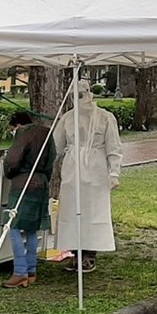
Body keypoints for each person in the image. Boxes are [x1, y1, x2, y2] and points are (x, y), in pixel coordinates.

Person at [55, 80, 122, 273]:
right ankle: (76, 252)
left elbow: (114, 146)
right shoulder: (67, 118)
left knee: (93, 210)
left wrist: (114, 171)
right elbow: (57, 145)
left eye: (82, 94)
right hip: (73, 168)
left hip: (96, 168)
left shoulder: (105, 118)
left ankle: (90, 253)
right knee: (72, 209)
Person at [2, 111, 56, 288]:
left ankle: (20, 272)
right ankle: (31, 270)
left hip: (23, 183)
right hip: (42, 183)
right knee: (32, 228)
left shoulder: (22, 133)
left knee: (14, 225)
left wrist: (8, 172)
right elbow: (52, 160)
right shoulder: (47, 133)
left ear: (17, 125)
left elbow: (13, 160)